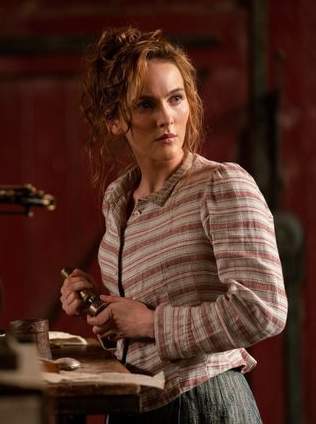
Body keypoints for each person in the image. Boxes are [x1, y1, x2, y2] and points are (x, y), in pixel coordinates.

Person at [59, 27, 287, 423]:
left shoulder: (220, 185)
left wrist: (151, 323)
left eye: (175, 98)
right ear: (114, 119)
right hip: (136, 404)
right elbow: (139, 322)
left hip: (204, 403)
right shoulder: (118, 200)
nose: (166, 117)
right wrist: (101, 310)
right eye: (146, 104)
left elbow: (264, 308)